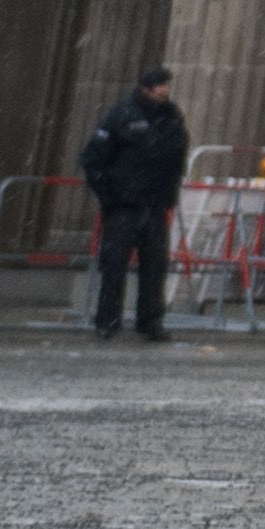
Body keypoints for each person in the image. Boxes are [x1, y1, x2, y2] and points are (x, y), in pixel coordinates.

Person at [80, 66, 188, 340]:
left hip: (155, 203)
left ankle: (150, 322)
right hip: (124, 205)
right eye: (160, 85)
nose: (165, 89)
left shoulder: (171, 117)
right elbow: (93, 158)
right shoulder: (122, 115)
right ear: (147, 87)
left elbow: (176, 160)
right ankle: (107, 320)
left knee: (155, 266)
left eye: (166, 84)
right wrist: (110, 196)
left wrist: (167, 193)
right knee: (114, 264)